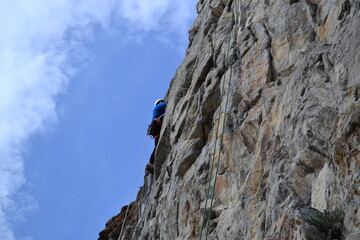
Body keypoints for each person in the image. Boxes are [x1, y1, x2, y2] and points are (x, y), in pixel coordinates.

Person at [146, 99, 166, 174]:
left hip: (156, 127)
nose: (162, 102)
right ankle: (150, 164)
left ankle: (151, 164)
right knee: (156, 145)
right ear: (158, 103)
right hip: (156, 125)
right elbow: (166, 104)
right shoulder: (157, 107)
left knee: (156, 145)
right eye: (161, 101)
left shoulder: (160, 110)